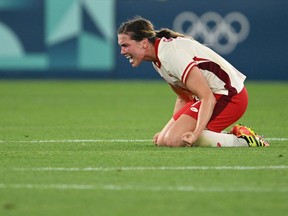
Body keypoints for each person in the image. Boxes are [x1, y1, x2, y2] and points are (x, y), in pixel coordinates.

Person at [117, 16, 269, 147]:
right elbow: (183, 98)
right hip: (212, 97)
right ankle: (208, 135)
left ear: (143, 43)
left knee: (175, 140)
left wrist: (195, 134)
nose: (122, 51)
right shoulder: (158, 58)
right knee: (164, 140)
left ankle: (245, 139)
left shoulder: (170, 55)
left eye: (125, 45)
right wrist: (170, 130)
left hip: (230, 96)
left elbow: (207, 97)